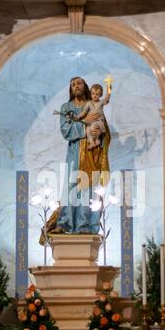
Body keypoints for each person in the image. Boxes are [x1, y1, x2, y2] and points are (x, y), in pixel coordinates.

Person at [48, 76, 111, 235]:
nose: (76, 86)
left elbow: (104, 128)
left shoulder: (95, 105)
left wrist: (99, 132)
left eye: (79, 83)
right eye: (73, 84)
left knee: (88, 189)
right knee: (71, 187)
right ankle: (66, 223)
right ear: (71, 89)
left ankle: (85, 226)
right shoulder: (66, 107)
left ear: (86, 87)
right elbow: (65, 130)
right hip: (75, 153)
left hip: (92, 152)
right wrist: (86, 127)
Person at [74, 83, 111, 150]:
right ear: (91, 94)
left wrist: (109, 90)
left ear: (100, 95)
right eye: (93, 93)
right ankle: (93, 142)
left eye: (97, 94)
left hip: (99, 121)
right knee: (88, 130)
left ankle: (97, 139)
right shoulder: (89, 103)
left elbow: (107, 99)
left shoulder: (101, 103)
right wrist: (78, 116)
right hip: (91, 122)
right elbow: (84, 112)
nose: (94, 96)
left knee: (93, 128)